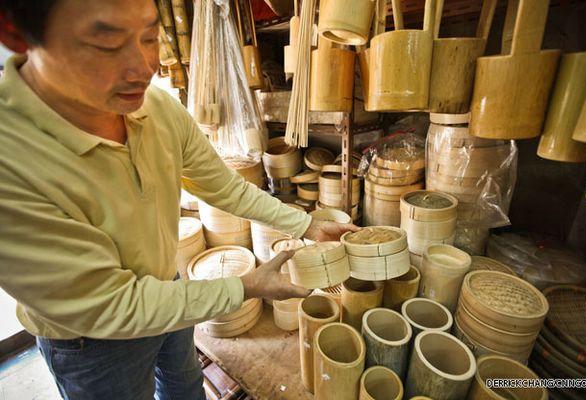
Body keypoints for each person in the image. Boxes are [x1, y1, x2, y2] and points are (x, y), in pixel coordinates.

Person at [0, 1, 358, 399]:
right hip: (93, 342)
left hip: (168, 286)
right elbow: (113, 304)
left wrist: (308, 225)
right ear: (15, 34)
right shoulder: (10, 161)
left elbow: (224, 187)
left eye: (150, 37)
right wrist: (245, 287)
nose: (144, 67)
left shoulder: (155, 107)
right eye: (107, 43)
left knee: (185, 387)